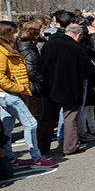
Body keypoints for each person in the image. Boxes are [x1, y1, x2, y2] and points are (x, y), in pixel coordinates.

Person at [0, 21, 56, 168]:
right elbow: (0, 77)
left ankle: (11, 159)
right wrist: (18, 87)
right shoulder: (2, 52)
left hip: (8, 93)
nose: (16, 34)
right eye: (13, 32)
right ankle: (37, 157)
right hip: (8, 93)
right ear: (5, 34)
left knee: (7, 125)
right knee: (31, 123)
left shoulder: (8, 48)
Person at [37, 11, 93, 156]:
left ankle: (41, 148)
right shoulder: (79, 49)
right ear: (79, 35)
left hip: (49, 86)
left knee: (46, 120)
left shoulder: (50, 44)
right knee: (70, 118)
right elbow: (86, 72)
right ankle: (70, 147)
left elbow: (41, 64)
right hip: (71, 88)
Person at [16, 21, 43, 121]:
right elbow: (31, 72)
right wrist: (43, 79)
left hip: (29, 86)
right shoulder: (29, 51)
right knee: (35, 117)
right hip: (32, 87)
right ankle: (37, 136)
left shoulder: (25, 47)